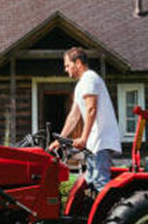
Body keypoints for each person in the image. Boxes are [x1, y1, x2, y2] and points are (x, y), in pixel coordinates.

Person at [49, 47, 122, 192]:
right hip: (93, 143)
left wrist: (83, 138)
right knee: (90, 182)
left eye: (67, 65)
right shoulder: (81, 84)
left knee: (100, 183)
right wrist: (60, 139)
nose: (66, 70)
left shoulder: (90, 79)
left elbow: (91, 109)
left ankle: (109, 214)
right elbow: (74, 115)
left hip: (101, 141)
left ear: (78, 63)